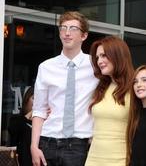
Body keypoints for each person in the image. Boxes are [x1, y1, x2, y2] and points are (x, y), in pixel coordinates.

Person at [31, 11, 99, 166]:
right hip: (47, 142)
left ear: (84, 36)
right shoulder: (46, 67)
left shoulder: (95, 66)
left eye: (73, 28)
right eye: (63, 28)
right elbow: (39, 110)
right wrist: (34, 146)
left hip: (79, 145)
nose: (67, 33)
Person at [85, 35, 135, 166]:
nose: (99, 61)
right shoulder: (100, 87)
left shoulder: (135, 87)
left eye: (103, 55)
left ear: (117, 55)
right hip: (93, 158)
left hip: (120, 159)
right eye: (97, 57)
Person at [9, 86, 34, 166]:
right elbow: (14, 130)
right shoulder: (17, 119)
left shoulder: (44, 122)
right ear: (26, 100)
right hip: (21, 161)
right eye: (34, 98)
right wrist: (32, 112)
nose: (37, 102)